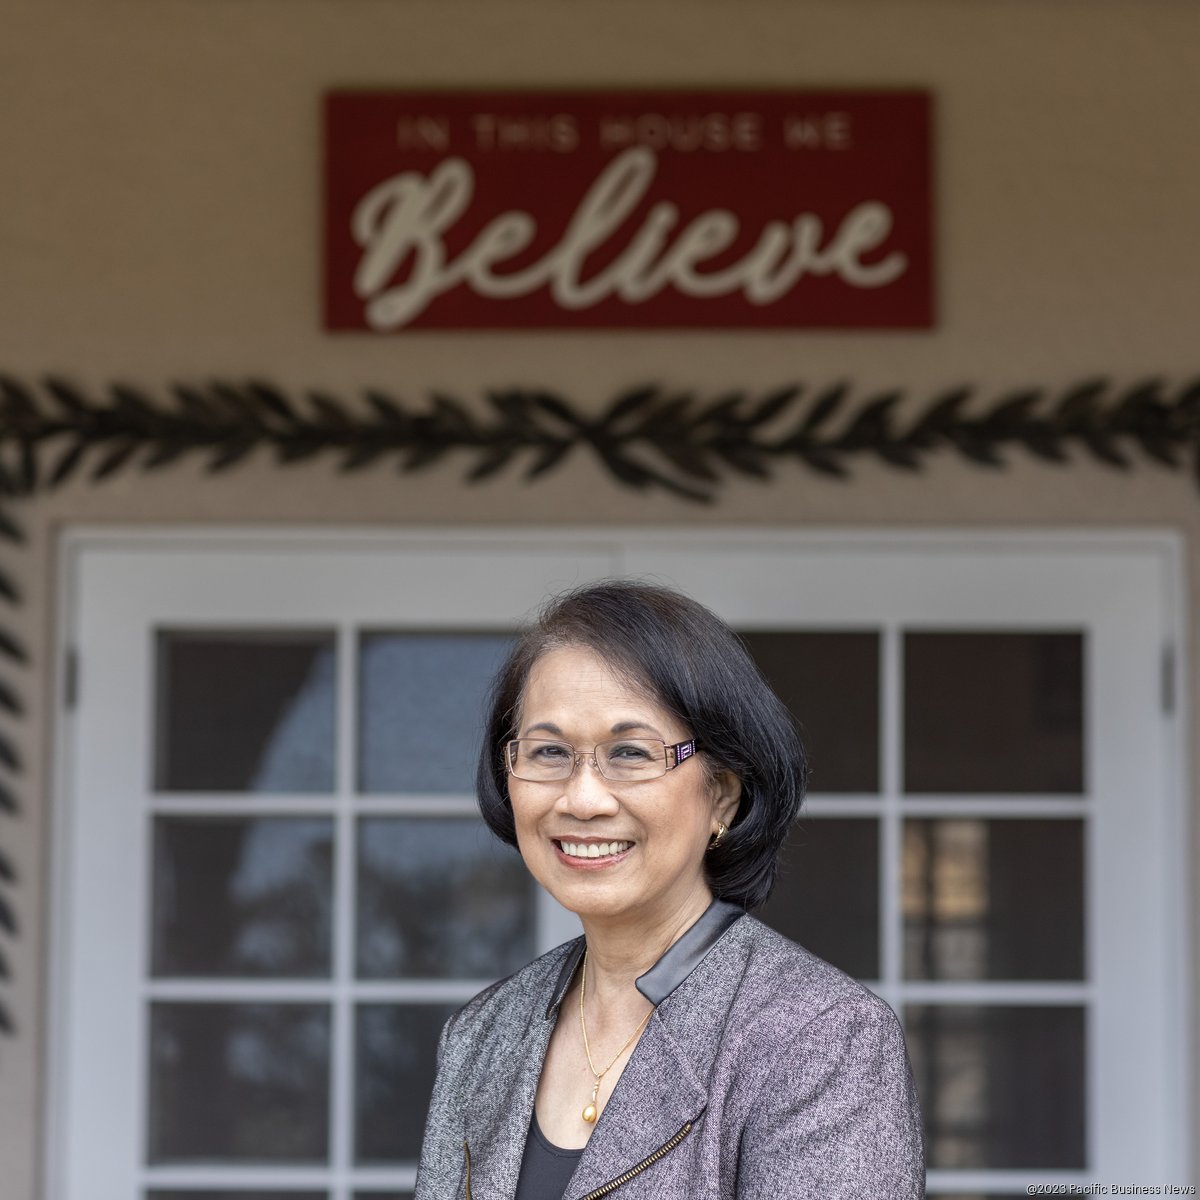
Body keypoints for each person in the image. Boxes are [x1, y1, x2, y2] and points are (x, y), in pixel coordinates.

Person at [415, 580, 925, 1199]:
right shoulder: (483, 1035)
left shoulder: (818, 1037)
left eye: (629, 752)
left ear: (723, 796)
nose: (582, 798)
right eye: (549, 751)